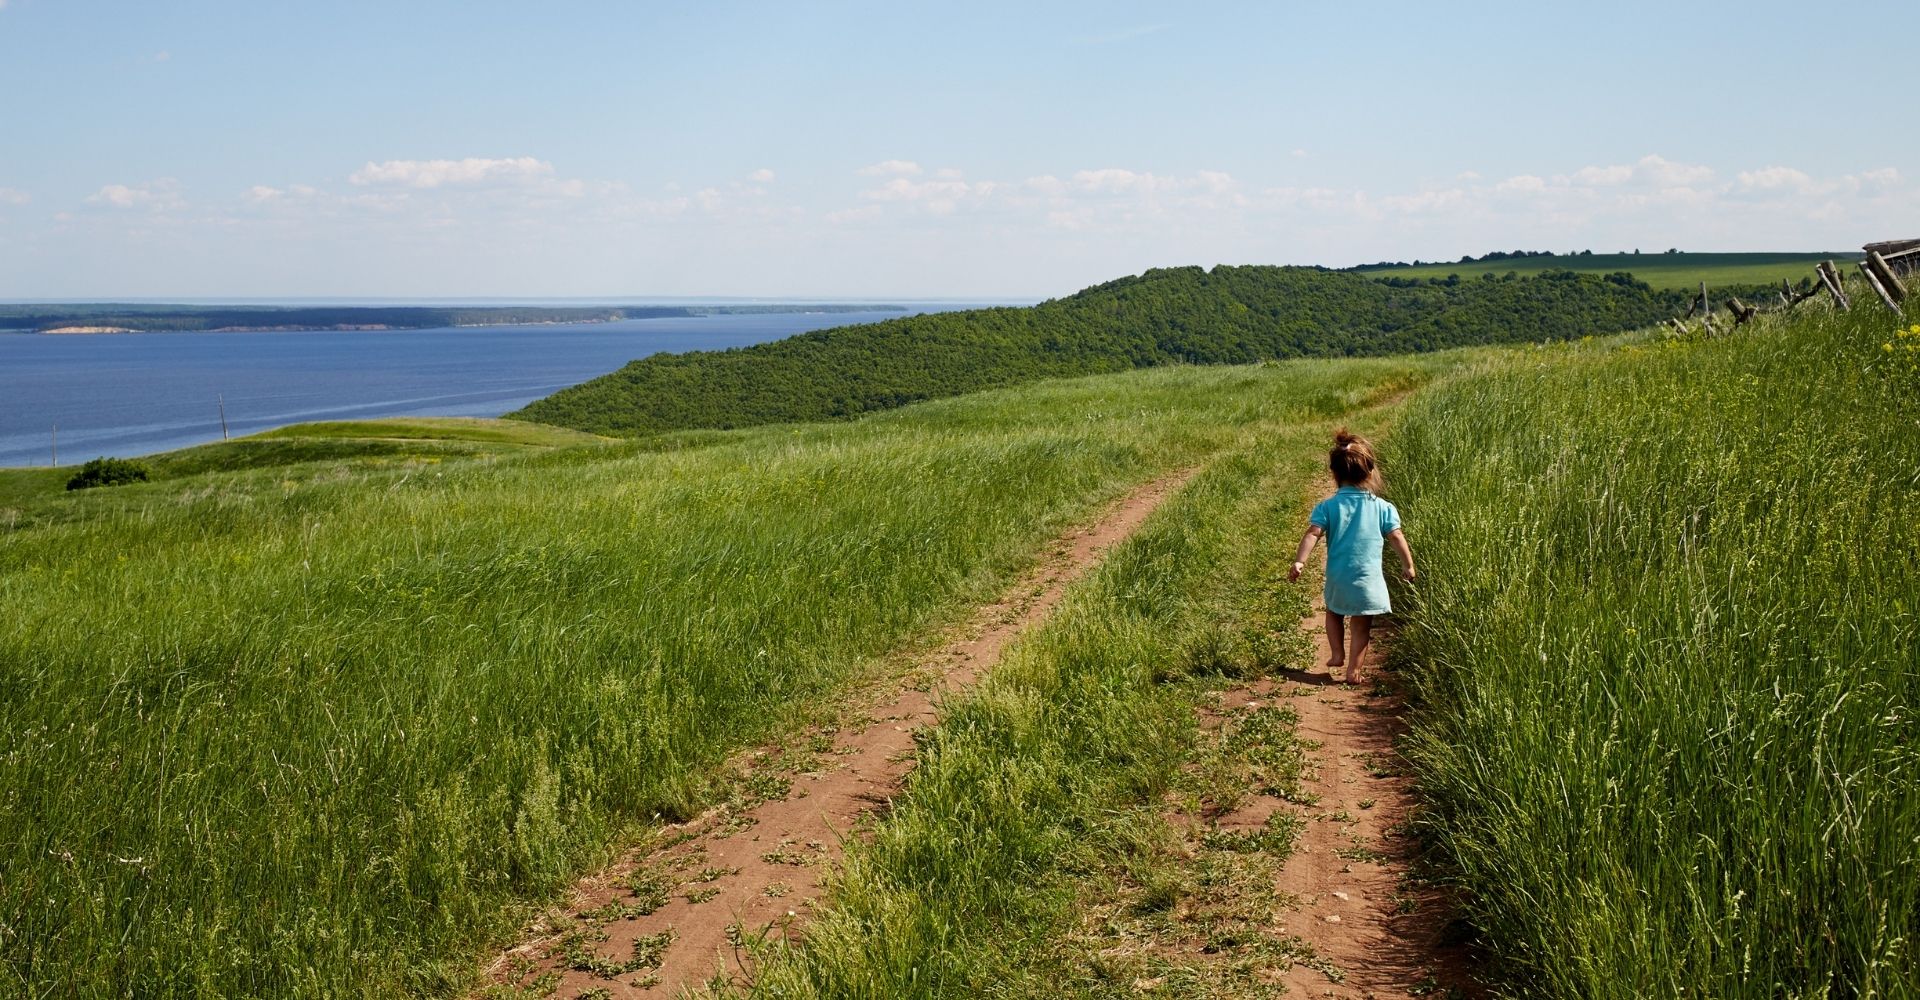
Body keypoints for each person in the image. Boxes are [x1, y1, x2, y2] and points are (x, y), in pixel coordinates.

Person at [1286, 429, 1416, 684]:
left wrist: (1300, 561)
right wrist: (1408, 565)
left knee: (1334, 612)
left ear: (1334, 473)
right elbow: (1396, 537)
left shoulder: (1328, 507)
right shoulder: (1383, 508)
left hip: (1338, 576)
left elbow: (1313, 534)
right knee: (1362, 624)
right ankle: (1354, 671)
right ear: (1369, 471)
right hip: (1368, 579)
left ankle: (1336, 654)